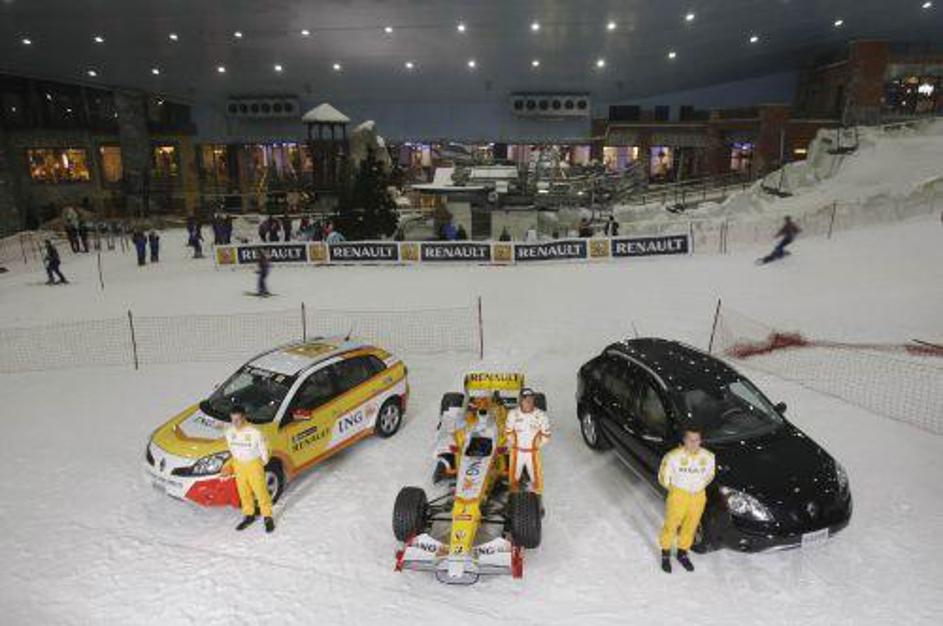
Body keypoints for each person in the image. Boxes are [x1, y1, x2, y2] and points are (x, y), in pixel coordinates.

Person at [657, 427, 715, 573]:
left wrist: (698, 486)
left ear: (700, 441)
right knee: (671, 525)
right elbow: (663, 478)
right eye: (690, 439)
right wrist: (676, 489)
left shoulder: (708, 456)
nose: (693, 443)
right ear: (684, 440)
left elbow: (710, 475)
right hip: (679, 495)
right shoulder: (672, 457)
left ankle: (682, 552)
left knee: (691, 525)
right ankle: (665, 553)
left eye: (696, 440)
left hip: (698, 496)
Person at [224, 405, 275, 533]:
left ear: (244, 418)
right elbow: (232, 449)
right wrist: (231, 464)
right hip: (238, 466)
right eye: (233, 419)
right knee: (244, 492)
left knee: (260, 492)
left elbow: (264, 449)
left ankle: (267, 517)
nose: (235, 423)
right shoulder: (229, 432)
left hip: (254, 465)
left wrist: (262, 462)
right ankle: (249, 515)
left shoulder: (255, 432)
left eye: (238, 419)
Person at [505, 388, 551, 495]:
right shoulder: (513, 414)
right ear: (521, 400)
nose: (528, 402)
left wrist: (537, 445)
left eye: (531, 399)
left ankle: (537, 494)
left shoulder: (541, 416)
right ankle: (513, 494)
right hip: (517, 452)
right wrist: (514, 443)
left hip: (532, 453)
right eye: (525, 399)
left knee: (536, 477)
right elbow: (508, 432)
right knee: (513, 477)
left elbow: (546, 435)